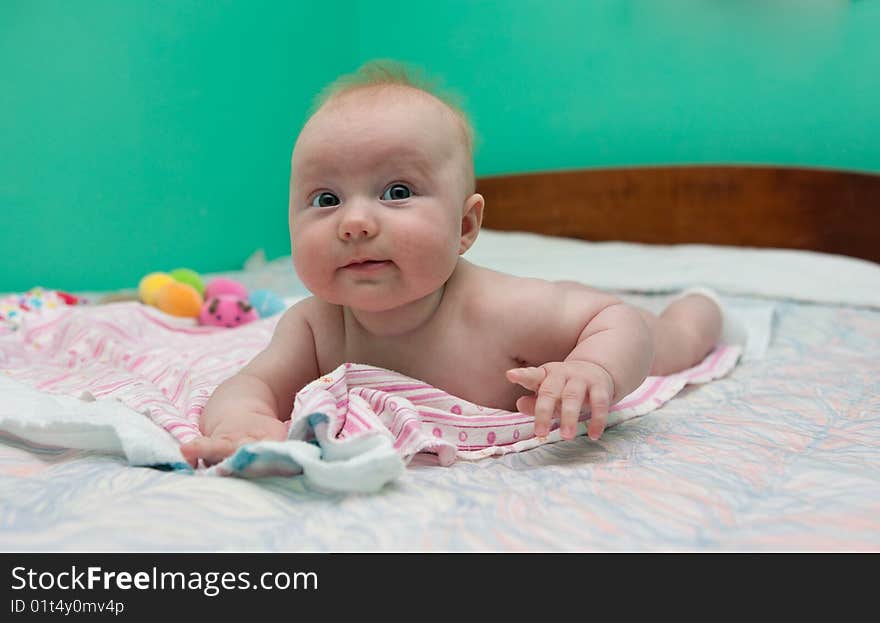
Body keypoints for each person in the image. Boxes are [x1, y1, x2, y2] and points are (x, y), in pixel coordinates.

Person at [181, 61, 722, 468]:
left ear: (465, 228)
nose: (355, 222)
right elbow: (249, 384)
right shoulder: (314, 324)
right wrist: (242, 423)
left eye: (396, 191)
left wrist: (595, 369)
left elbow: (612, 318)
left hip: (598, 337)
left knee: (671, 343)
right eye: (326, 200)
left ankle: (702, 306)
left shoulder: (505, 308)